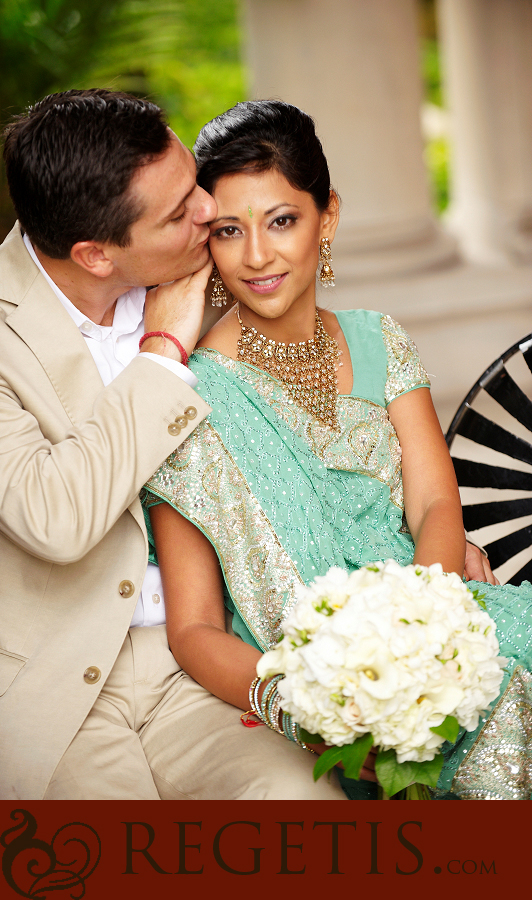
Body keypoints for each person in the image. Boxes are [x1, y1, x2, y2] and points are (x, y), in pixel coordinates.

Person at [144, 100, 532, 801]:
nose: (257, 256)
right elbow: (195, 626)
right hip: (313, 687)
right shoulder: (189, 396)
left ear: (329, 217)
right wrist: (306, 708)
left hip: (442, 624)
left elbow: (435, 501)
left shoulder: (377, 337)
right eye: (230, 231)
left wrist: (426, 642)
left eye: (282, 220)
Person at [0, 89, 347, 800]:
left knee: (311, 812)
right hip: (56, 683)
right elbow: (54, 519)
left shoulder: (224, 267)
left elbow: (323, 412)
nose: (208, 214)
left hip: (202, 657)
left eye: (192, 184)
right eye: (178, 213)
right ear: (96, 255)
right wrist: (160, 352)